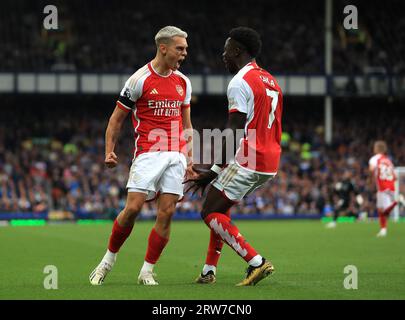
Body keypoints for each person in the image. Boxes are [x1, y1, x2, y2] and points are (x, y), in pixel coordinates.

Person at [89, 26, 194, 286]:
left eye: (186, 49)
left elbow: (187, 124)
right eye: (180, 48)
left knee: (167, 212)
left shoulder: (183, 82)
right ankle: (107, 261)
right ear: (163, 48)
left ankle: (147, 270)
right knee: (133, 208)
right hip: (148, 152)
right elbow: (116, 120)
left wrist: (190, 158)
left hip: (176, 154)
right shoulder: (138, 79)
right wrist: (109, 151)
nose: (184, 54)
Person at [185, 27, 283, 286]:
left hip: (250, 158)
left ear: (238, 50)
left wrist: (214, 170)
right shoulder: (270, 79)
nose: (223, 54)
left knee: (208, 212)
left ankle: (257, 262)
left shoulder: (240, 81)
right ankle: (208, 270)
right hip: (269, 161)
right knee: (221, 209)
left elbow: (234, 128)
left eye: (227, 49)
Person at [368, 141, 397, 237]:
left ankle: (395, 204)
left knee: (383, 209)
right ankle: (383, 230)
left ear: (376, 148)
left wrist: (369, 180)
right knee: (381, 209)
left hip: (382, 186)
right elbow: (395, 176)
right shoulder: (388, 160)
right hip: (391, 186)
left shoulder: (375, 159)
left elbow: (371, 169)